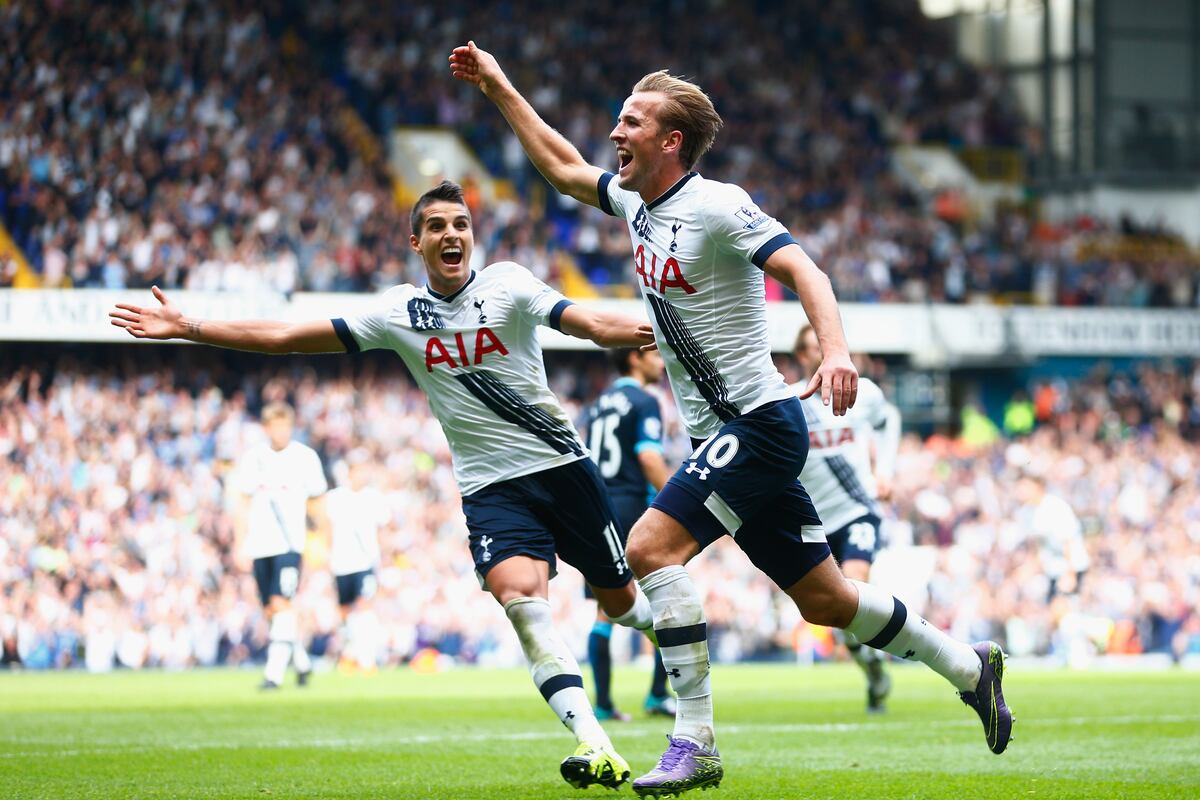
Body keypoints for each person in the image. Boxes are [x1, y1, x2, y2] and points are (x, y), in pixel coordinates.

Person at [451, 43, 1014, 796]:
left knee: (650, 547)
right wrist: (496, 86)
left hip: (761, 424)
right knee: (827, 600)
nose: (615, 133)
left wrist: (838, 351)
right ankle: (969, 667)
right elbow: (558, 166)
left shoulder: (717, 205)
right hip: (731, 437)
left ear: (669, 141)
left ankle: (696, 742)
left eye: (630, 121)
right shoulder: (635, 205)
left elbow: (804, 267)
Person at [110, 180, 662, 791]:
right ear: (415, 242)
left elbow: (582, 320)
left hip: (563, 471)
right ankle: (596, 743)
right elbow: (288, 337)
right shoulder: (397, 311)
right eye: (437, 227)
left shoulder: (507, 283)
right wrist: (189, 325)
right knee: (524, 607)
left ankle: (679, 633)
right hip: (489, 488)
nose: (451, 234)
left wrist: (640, 328)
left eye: (461, 224)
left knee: (623, 605)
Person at [793, 325, 901, 713]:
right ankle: (872, 668)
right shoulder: (792, 403)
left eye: (821, 345)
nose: (817, 353)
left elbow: (890, 420)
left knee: (856, 589)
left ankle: (876, 666)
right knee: (840, 614)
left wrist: (885, 470)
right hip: (814, 522)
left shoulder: (862, 392)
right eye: (809, 348)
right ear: (800, 356)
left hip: (858, 510)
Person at [581, 347, 675, 721]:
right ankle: (656, 694)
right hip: (633, 507)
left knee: (605, 610)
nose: (660, 361)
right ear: (634, 358)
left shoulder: (600, 403)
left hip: (599, 509)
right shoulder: (644, 400)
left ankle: (603, 704)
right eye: (653, 353)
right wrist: (681, 502)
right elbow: (649, 457)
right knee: (667, 598)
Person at [231, 402, 328, 690]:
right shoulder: (253, 459)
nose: (281, 431)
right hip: (260, 545)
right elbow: (242, 502)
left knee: (281, 604)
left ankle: (273, 675)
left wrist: (321, 540)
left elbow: (318, 499)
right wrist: (239, 542)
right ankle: (302, 663)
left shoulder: (305, 457)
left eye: (286, 425)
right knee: (271, 611)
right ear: (267, 428)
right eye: (276, 425)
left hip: (290, 544)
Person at [326, 451, 387, 672]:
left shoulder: (374, 498)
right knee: (344, 611)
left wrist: (383, 560)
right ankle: (351, 653)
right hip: (341, 562)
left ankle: (366, 659)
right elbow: (328, 530)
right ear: (349, 473)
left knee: (364, 606)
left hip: (366, 562)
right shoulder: (335, 497)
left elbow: (383, 531)